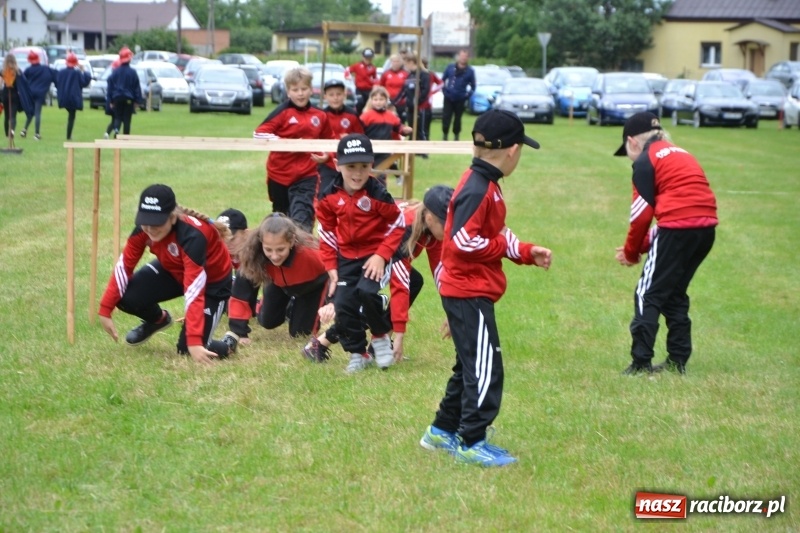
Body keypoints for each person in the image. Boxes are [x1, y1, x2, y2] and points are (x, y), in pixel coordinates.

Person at [419, 109, 552, 467]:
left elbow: (495, 233)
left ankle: (441, 430)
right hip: (468, 292)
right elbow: (462, 241)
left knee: (469, 365)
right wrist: (501, 247)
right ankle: (471, 441)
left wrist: (525, 251)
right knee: (485, 368)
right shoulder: (479, 188)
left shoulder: (484, 182)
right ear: (512, 151)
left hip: (468, 289)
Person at [613, 112, 718, 375]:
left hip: (678, 229)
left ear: (632, 142)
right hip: (706, 229)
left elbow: (641, 216)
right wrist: (639, 247)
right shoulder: (681, 153)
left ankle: (640, 363)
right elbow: (684, 211)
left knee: (647, 294)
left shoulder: (645, 161)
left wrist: (631, 253)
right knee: (674, 292)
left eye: (627, 152)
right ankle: (677, 360)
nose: (630, 159)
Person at [303, 187, 450, 363]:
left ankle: (378, 344)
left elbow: (440, 270)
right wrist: (400, 333)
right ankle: (320, 344)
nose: (451, 230)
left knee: (414, 281)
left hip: (376, 256)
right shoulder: (406, 228)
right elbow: (400, 283)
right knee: (367, 302)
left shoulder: (428, 225)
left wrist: (452, 308)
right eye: (447, 224)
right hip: (356, 256)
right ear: (430, 218)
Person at [98, 184, 238, 365]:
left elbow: (194, 291)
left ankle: (228, 344)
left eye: (156, 223)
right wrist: (105, 309)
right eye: (145, 221)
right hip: (174, 270)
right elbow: (123, 267)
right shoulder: (143, 230)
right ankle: (158, 320)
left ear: (172, 218)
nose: (150, 229)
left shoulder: (193, 237)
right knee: (125, 297)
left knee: (187, 349)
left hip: (211, 284)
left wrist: (194, 341)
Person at [316, 133, 407, 372]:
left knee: (366, 292)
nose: (358, 173)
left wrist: (381, 255)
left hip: (374, 256)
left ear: (371, 165)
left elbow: (398, 223)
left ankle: (379, 337)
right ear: (337, 165)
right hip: (346, 258)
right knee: (343, 305)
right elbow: (326, 231)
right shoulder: (328, 196)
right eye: (351, 167)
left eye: (364, 167)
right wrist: (331, 265)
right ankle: (358, 353)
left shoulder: (378, 194)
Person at [253, 67, 334, 231]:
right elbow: (259, 133)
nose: (300, 94)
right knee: (281, 219)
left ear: (311, 89)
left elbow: (329, 140)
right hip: (279, 173)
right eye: (295, 90)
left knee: (302, 217)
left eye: (304, 89)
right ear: (288, 92)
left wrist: (327, 155)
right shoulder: (282, 112)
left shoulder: (320, 115)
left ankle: (303, 245)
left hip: (306, 174)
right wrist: (287, 144)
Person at [237, 213, 329, 338]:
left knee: (300, 334)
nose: (274, 256)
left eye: (280, 249)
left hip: (312, 287)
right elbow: (241, 292)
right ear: (261, 242)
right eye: (268, 249)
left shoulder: (311, 254)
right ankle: (283, 305)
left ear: (291, 242)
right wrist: (240, 331)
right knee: (267, 322)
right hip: (278, 284)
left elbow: (337, 274)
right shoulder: (255, 255)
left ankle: (296, 307)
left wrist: (332, 302)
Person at [314, 78, 364, 199]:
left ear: (344, 94)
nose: (335, 98)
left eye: (338, 94)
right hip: (327, 162)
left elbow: (362, 138)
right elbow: (316, 138)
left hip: (348, 163)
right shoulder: (321, 115)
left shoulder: (352, 115)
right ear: (325, 96)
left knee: (349, 195)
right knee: (325, 194)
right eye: (331, 95)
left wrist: (351, 138)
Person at [217, 208, 259, 346]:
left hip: (272, 281)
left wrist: (240, 332)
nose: (227, 244)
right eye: (223, 239)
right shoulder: (222, 250)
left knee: (268, 318)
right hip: (245, 280)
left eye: (232, 239)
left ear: (246, 233)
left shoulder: (257, 249)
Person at [360, 86, 412, 183]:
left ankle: (382, 191)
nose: (378, 102)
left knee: (380, 176)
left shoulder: (391, 116)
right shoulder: (366, 116)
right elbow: (359, 130)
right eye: (375, 99)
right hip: (369, 150)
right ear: (371, 100)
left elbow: (398, 127)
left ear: (386, 100)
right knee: (367, 175)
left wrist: (405, 130)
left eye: (381, 99)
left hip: (384, 151)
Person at [106, 47, 143, 137]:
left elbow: (110, 87)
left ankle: (116, 131)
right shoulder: (133, 72)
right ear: (129, 59)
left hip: (117, 98)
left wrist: (111, 100)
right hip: (128, 99)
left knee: (118, 117)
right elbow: (136, 87)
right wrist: (138, 101)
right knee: (127, 119)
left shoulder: (115, 72)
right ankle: (126, 138)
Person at [441, 50, 475, 141]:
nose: (463, 58)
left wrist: (467, 95)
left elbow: (473, 86)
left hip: (460, 98)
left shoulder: (470, 71)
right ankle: (445, 135)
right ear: (459, 56)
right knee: (446, 117)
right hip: (449, 97)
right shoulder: (450, 67)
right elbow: (442, 81)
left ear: (467, 58)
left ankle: (456, 136)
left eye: (465, 56)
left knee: (458, 118)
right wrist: (444, 91)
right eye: (462, 56)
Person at [55, 53, 92, 140]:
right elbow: (85, 82)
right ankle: (68, 136)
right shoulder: (77, 73)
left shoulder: (61, 72)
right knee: (72, 116)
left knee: (71, 115)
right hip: (73, 98)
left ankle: (69, 135)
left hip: (63, 98)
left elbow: (57, 84)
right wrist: (84, 70)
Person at [21, 50, 57, 140]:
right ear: (38, 59)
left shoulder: (28, 70)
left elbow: (22, 81)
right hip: (40, 94)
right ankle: (36, 134)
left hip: (30, 93)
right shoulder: (45, 69)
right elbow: (55, 75)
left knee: (31, 112)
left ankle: (24, 130)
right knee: (37, 113)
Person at [399, 54, 431, 146]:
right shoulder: (409, 75)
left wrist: (417, 101)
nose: (405, 66)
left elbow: (425, 91)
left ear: (411, 62)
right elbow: (404, 91)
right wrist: (394, 102)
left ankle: (424, 151)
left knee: (420, 131)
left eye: (406, 64)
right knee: (412, 130)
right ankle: (413, 149)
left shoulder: (424, 74)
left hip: (420, 108)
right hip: (410, 107)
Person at [2, 53, 34, 139]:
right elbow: (24, 83)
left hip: (5, 94)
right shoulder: (18, 71)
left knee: (6, 116)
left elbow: (0, 83)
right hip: (14, 95)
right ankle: (12, 131)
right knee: (13, 116)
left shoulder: (3, 71)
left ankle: (7, 134)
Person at [348, 48, 378, 116]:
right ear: (363, 57)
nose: (368, 59)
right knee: (360, 102)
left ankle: (366, 118)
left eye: (369, 58)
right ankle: (358, 116)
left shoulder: (373, 68)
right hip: (359, 89)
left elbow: (375, 78)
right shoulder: (357, 65)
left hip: (369, 89)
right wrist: (349, 77)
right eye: (366, 57)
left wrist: (375, 85)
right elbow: (348, 70)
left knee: (369, 105)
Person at [422, 57, 442, 143]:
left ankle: (426, 139)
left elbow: (441, 83)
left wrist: (432, 92)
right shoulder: (414, 74)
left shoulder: (430, 74)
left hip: (427, 103)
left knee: (426, 124)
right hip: (417, 103)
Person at [102, 59, 121, 139]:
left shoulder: (110, 77)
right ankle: (116, 131)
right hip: (116, 100)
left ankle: (107, 133)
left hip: (110, 100)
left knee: (114, 119)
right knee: (118, 118)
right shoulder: (119, 78)